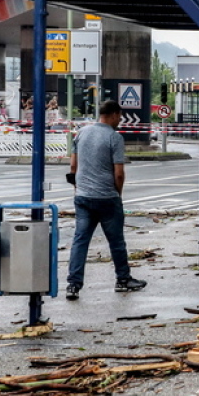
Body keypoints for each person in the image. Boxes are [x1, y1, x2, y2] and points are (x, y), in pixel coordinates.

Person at [65, 100, 147, 300]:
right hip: (107, 198)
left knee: (80, 241)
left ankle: (73, 285)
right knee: (116, 242)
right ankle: (123, 280)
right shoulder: (114, 137)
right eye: (119, 116)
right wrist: (117, 194)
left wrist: (78, 188)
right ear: (113, 115)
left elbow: (73, 166)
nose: (120, 120)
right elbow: (118, 173)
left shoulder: (82, 133)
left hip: (83, 197)